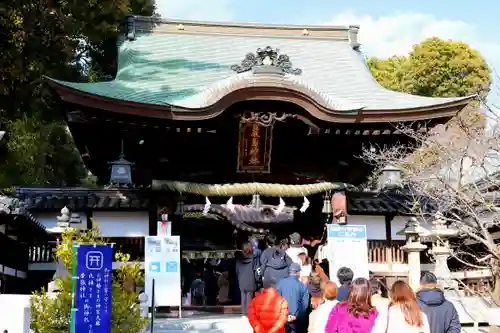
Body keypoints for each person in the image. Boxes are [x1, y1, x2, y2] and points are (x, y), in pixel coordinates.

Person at [277, 263, 310, 333]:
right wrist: (295, 316)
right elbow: (304, 305)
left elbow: (276, 301)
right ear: (297, 273)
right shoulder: (302, 286)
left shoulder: (281, 283)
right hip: (296, 321)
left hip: (283, 318)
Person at [236, 242, 258, 315]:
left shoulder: (238, 259)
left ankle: (243, 313)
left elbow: (237, 270)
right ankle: (249, 314)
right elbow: (256, 270)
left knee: (243, 296)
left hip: (242, 280)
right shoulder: (254, 259)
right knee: (249, 296)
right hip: (251, 279)